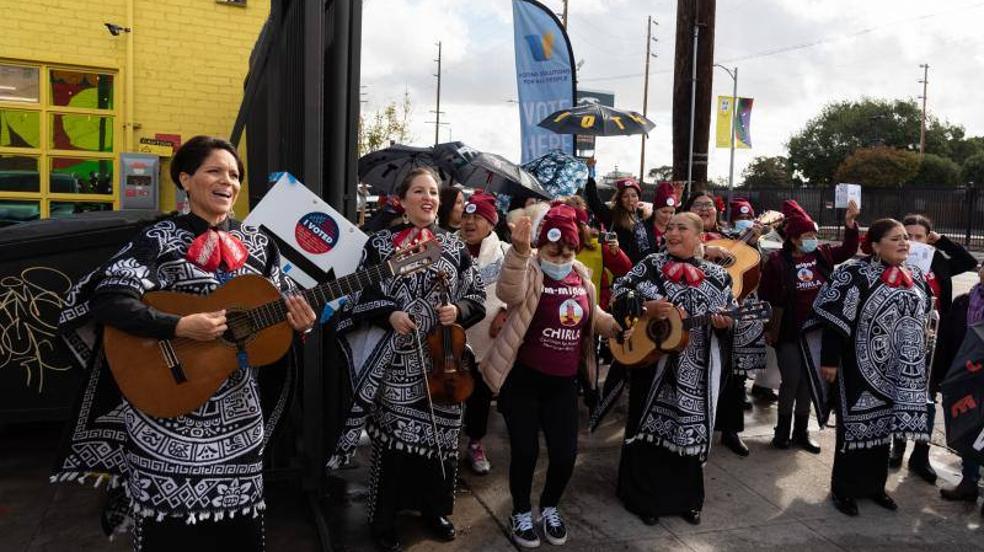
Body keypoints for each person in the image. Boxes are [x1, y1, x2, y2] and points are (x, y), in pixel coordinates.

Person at [53, 136, 318, 551]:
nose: (226, 181)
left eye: (233, 175)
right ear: (185, 179)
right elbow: (108, 298)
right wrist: (178, 326)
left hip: (238, 423)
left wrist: (300, 323)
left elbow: (277, 313)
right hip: (164, 415)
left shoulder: (260, 245)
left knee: (239, 536)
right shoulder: (157, 239)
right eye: (214, 170)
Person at [328, 167, 486, 552]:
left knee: (443, 440)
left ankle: (434, 509)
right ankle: (384, 519)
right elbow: (359, 296)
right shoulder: (380, 244)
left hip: (444, 362)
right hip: (397, 361)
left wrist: (458, 311)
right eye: (419, 191)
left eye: (433, 191)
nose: (428, 197)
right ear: (402, 199)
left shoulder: (453, 247)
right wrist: (390, 314)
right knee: (396, 444)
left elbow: (477, 296)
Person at [480, 205, 627, 548]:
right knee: (526, 452)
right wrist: (518, 252)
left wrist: (617, 325)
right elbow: (508, 292)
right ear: (540, 247)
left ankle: (548, 507)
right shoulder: (528, 268)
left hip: (563, 384)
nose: (560, 258)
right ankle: (520, 511)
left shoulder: (581, 275)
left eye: (568, 251)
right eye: (552, 250)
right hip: (523, 380)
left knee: (564, 455)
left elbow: (595, 316)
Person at [611, 212, 736, 526]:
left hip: (695, 371)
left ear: (699, 236)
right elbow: (619, 292)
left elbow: (729, 319)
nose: (673, 233)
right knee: (647, 434)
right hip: (651, 366)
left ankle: (687, 500)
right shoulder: (649, 265)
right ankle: (641, 498)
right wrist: (644, 306)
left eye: (682, 228)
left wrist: (724, 325)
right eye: (669, 227)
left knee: (688, 433)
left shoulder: (719, 276)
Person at [804, 218, 932, 517]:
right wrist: (829, 361)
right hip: (858, 368)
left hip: (896, 370)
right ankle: (844, 489)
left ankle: (875, 488)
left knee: (883, 431)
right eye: (895, 239)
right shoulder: (853, 274)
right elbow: (835, 320)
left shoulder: (913, 274)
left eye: (905, 238)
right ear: (874, 245)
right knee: (855, 430)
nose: (904, 243)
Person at [759, 199, 860, 453]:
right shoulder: (776, 263)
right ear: (793, 239)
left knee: (808, 382)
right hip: (789, 333)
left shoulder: (823, 254)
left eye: (814, 234)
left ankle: (801, 431)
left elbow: (848, 249)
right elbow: (766, 297)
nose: (812, 239)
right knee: (791, 380)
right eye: (806, 235)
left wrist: (850, 224)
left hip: (817, 333)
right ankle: (781, 431)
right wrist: (769, 329)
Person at [889, 214, 979, 483]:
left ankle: (921, 453)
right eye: (909, 235)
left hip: (934, 341)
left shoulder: (937, 260)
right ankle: (898, 446)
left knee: (927, 399)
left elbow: (968, 262)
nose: (914, 242)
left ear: (928, 238)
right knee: (900, 393)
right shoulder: (895, 261)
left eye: (920, 236)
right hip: (902, 339)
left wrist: (942, 242)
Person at [686, 193, 749, 455]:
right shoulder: (680, 235)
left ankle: (730, 430)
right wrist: (704, 249)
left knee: (733, 374)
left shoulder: (731, 236)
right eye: (698, 205)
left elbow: (747, 266)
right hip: (691, 318)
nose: (704, 209)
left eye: (709, 205)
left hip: (727, 310)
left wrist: (751, 244)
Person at [458, 191, 509, 475]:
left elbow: (517, 288)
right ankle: (447, 441)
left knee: (479, 394)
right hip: (454, 336)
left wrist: (504, 310)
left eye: (477, 217)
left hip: (487, 337)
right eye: (466, 216)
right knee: (450, 392)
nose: (469, 222)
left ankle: (475, 442)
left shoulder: (504, 251)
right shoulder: (449, 247)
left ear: (491, 223)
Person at [939, 263, 984, 504]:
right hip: (965, 378)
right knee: (968, 429)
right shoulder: (964, 302)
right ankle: (968, 483)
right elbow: (949, 339)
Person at [584, 175, 655, 264]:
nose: (630, 200)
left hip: (647, 268)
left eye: (634, 195)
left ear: (638, 197)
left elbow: (664, 211)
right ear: (620, 199)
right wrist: (591, 177)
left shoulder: (644, 215)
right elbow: (594, 202)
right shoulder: (613, 216)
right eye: (625, 196)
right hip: (626, 269)